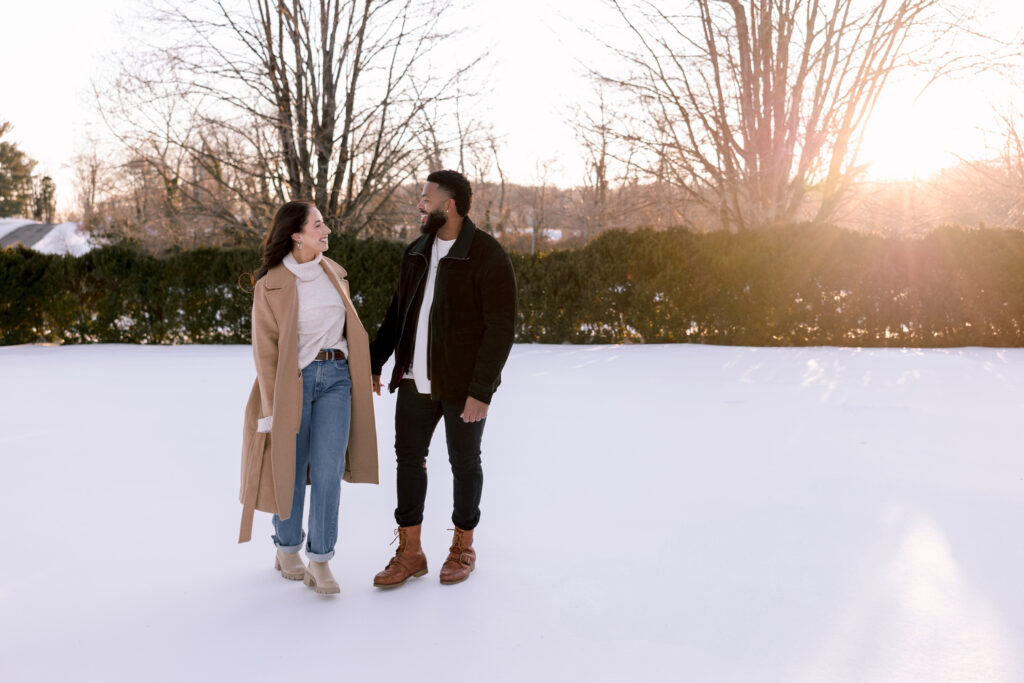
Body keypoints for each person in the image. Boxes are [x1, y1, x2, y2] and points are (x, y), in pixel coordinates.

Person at [369, 169, 517, 587]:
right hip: (415, 382)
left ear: (448, 205)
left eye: (425, 197)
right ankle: (411, 552)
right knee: (408, 461)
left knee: (464, 463)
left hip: (462, 386)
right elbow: (397, 313)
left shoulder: (486, 254)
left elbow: (501, 328)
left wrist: (481, 391)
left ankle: (462, 546)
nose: (420, 203)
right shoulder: (416, 251)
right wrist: (375, 362)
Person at [238, 200, 379, 595]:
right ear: (296, 234)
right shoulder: (270, 286)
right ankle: (286, 548)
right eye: (318, 225)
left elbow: (350, 331)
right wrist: (269, 408)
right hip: (293, 383)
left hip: (336, 378)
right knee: (291, 468)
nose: (326, 230)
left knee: (329, 469)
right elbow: (265, 352)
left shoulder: (334, 274)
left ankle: (321, 560)